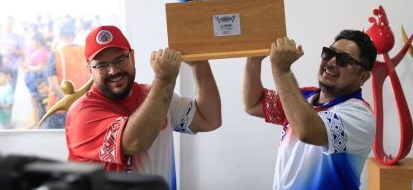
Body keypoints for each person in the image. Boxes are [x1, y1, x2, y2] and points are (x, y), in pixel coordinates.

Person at [66, 25, 221, 189]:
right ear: (90, 68)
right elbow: (135, 142)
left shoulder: (154, 94)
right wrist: (164, 79)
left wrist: (200, 65)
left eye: (120, 60)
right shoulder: (81, 114)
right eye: (101, 65)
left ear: (132, 57)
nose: (113, 71)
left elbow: (209, 120)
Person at [243, 30, 376, 190]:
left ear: (363, 77)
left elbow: (307, 131)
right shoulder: (302, 97)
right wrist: (253, 58)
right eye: (329, 53)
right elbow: (253, 104)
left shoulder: (359, 115)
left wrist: (282, 70)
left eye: (344, 59)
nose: (331, 62)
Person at [46, 19, 89, 128]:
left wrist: (69, 103)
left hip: (59, 107)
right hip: (81, 107)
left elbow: (54, 85)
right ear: (74, 34)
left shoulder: (55, 54)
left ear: (59, 35)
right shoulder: (86, 52)